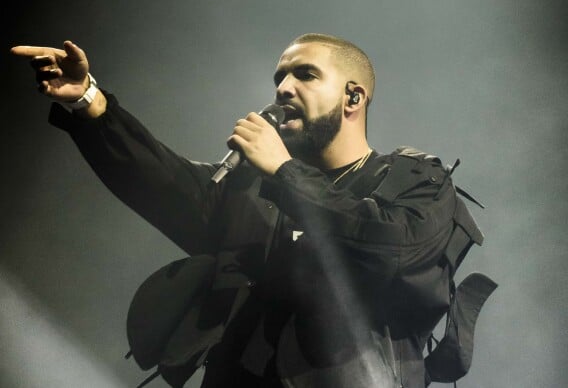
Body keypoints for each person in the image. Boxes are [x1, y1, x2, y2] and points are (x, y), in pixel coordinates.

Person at [10, 34, 494, 388]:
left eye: (304, 74)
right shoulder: (255, 191)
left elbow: (392, 248)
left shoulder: (416, 181)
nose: (283, 88)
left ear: (353, 96)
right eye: (279, 77)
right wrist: (91, 103)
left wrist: (285, 172)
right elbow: (163, 181)